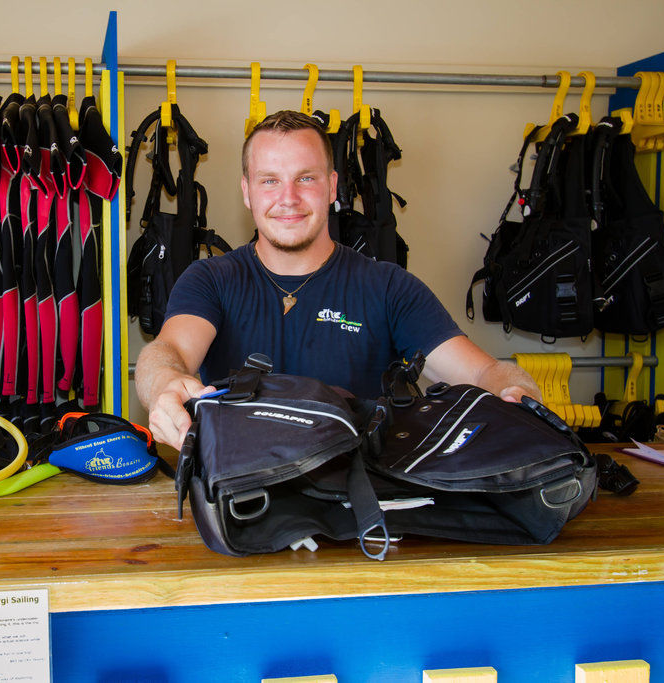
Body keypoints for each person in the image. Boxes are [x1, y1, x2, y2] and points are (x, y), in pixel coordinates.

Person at [135, 110, 541, 450]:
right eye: (270, 180)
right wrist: (165, 384)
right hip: (242, 498)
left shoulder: (388, 287)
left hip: (360, 510)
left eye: (306, 178)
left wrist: (514, 389)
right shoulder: (211, 278)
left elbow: (484, 374)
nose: (288, 197)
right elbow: (167, 351)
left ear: (332, 186)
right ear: (248, 192)